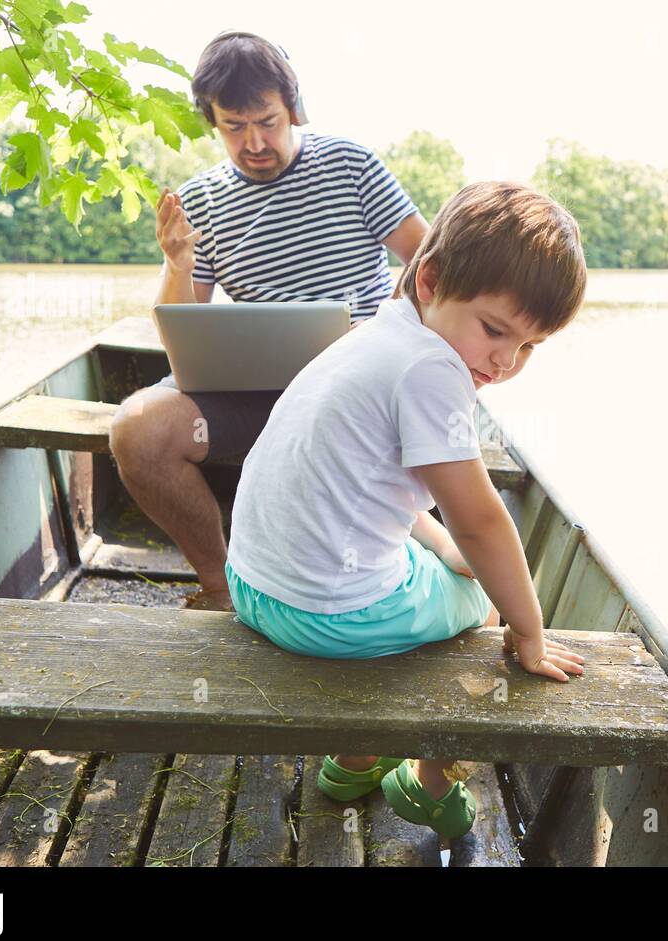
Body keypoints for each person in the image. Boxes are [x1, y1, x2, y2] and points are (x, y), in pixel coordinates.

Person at [224, 181, 589, 837]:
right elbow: (480, 521)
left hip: (251, 585)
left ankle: (355, 761)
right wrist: (528, 632)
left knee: (460, 568)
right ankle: (426, 780)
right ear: (430, 281)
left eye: (529, 347)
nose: (505, 362)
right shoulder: (431, 369)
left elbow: (365, 488)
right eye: (494, 330)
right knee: (482, 612)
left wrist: (443, 548)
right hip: (322, 614)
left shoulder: (377, 334)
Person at [108, 31, 428, 611]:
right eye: (234, 125)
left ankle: (362, 587)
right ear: (212, 120)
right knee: (139, 428)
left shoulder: (350, 163)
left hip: (357, 389)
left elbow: (432, 264)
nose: (254, 141)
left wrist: (384, 325)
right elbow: (182, 324)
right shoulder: (201, 201)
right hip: (255, 398)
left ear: (293, 107)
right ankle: (223, 584)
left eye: (268, 120)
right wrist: (176, 264)